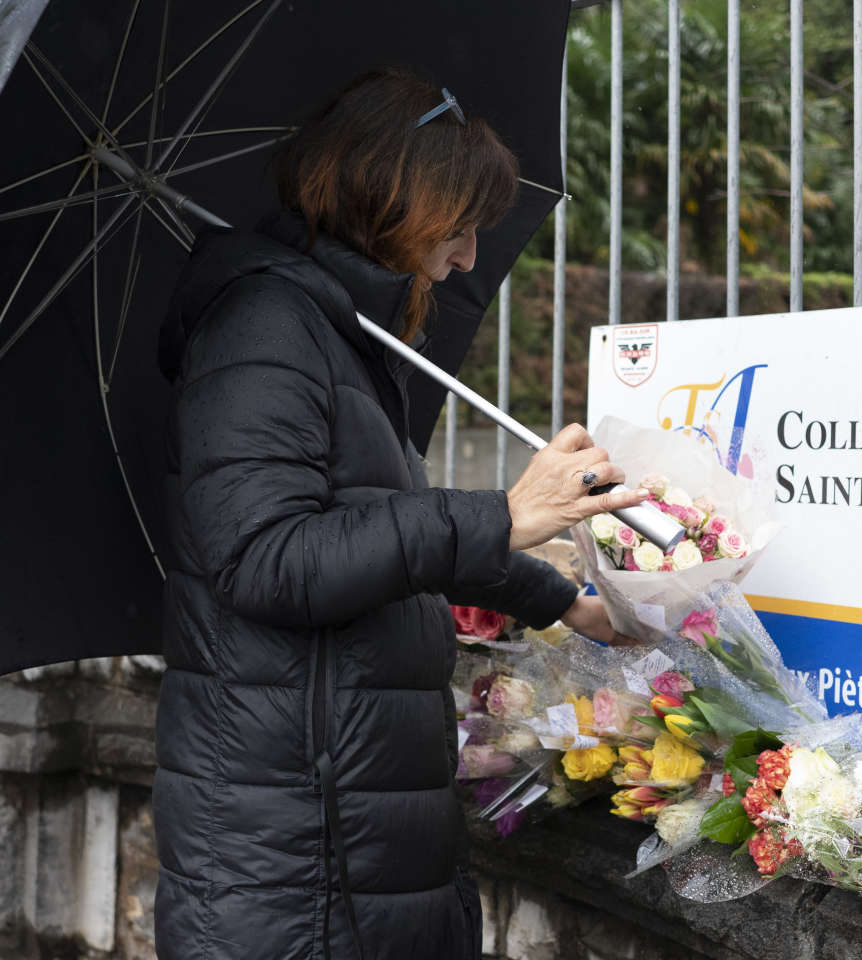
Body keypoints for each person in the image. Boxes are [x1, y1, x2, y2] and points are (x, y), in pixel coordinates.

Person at [151, 67, 648, 959]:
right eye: (457, 230)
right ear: (390, 204)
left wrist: (561, 602)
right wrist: (502, 513)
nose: (465, 258)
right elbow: (267, 556)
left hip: (352, 821)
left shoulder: (332, 330)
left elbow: (385, 528)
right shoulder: (264, 325)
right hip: (297, 853)